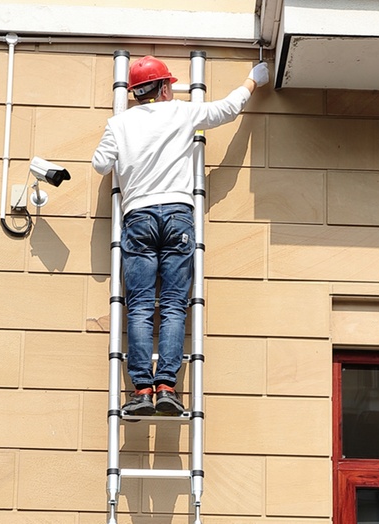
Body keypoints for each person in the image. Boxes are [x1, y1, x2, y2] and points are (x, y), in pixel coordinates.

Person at [92, 55, 269, 415]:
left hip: (138, 215)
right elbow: (227, 109)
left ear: (136, 92)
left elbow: (100, 164)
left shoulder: (118, 124)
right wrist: (253, 80)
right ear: (164, 86)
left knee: (140, 307)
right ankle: (167, 388)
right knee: (173, 305)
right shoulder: (182, 113)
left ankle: (142, 391)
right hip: (177, 214)